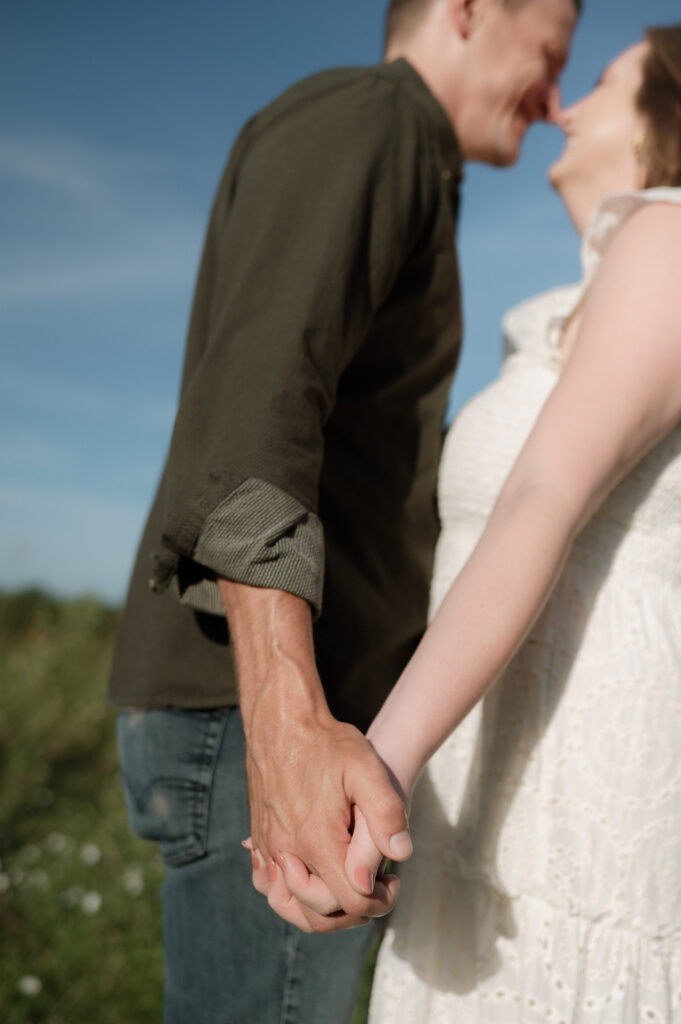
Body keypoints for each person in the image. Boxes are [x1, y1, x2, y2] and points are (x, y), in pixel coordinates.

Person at [109, 0, 578, 1021]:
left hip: (266, 709)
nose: (551, 99)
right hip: (256, 708)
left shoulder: (411, 161)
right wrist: (290, 720)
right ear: (467, 10)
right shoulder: (372, 122)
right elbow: (261, 403)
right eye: (549, 53)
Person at [294, 23, 680, 1023]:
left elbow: (541, 493)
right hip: (487, 830)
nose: (564, 104)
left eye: (599, 83)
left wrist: (375, 766)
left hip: (577, 820)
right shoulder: (577, 301)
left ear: (666, 118)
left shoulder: (672, 234)